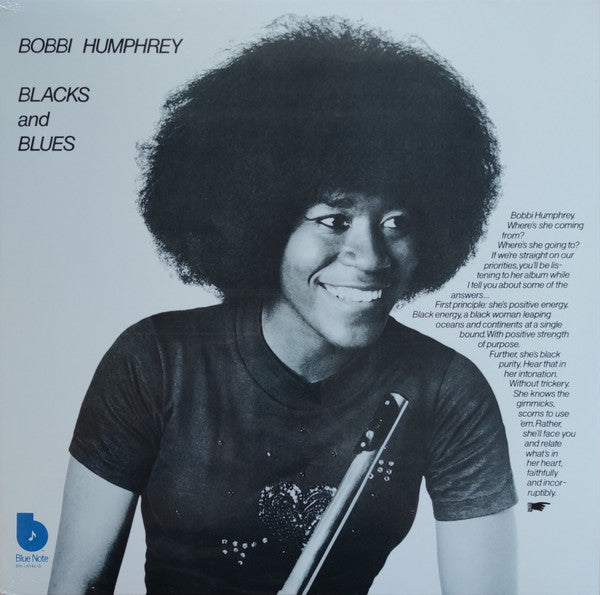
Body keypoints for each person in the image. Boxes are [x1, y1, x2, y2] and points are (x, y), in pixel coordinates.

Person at [49, 18, 517, 595]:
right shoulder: (156, 361)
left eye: (397, 222)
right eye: (334, 219)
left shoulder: (447, 389)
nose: (371, 256)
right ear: (263, 224)